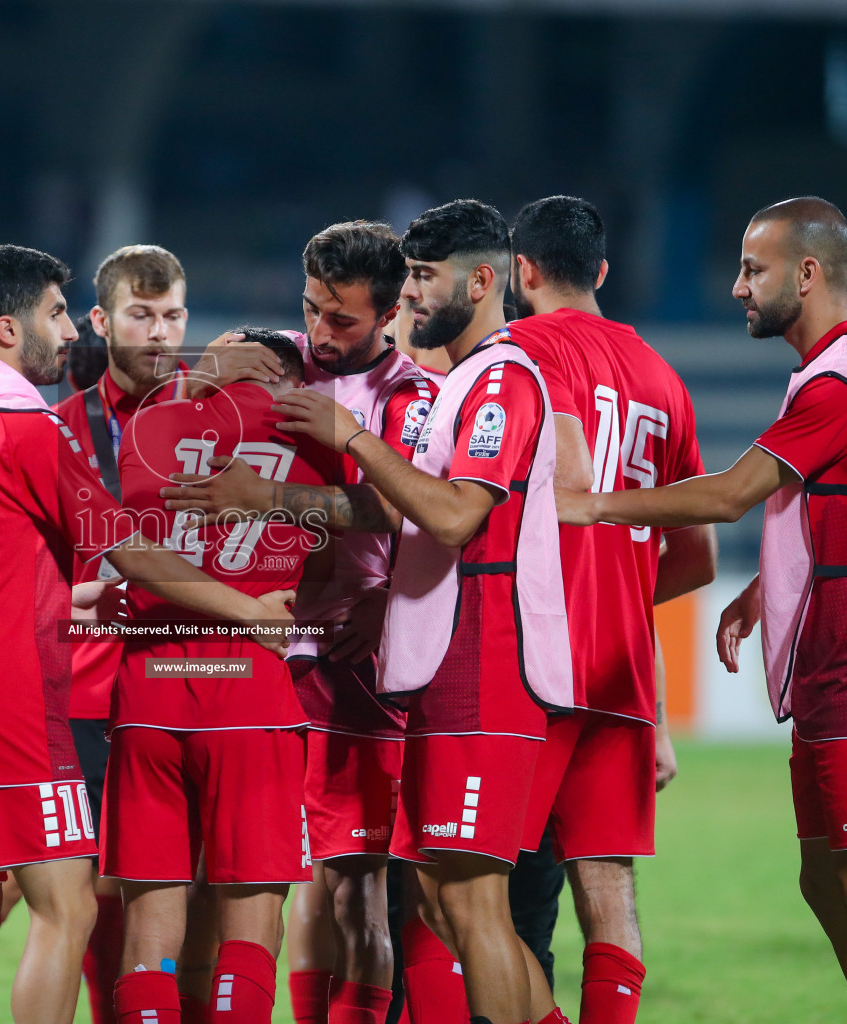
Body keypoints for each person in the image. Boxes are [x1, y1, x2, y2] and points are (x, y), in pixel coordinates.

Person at [557, 196, 847, 1024]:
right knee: (824, 879)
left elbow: (737, 493)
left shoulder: (844, 382)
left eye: (754, 269)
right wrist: (762, 589)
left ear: (807, 275)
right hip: (837, 667)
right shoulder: (831, 374)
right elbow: (843, 509)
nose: (739, 287)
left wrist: (592, 506)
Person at [0, 244, 295, 1024]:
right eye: (54, 312)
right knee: (69, 910)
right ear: (9, 329)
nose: (68, 329)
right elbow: (130, 549)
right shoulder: (25, 426)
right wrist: (251, 611)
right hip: (6, 714)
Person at [275, 198, 575, 1024]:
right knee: (445, 905)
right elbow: (406, 508)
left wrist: (349, 437)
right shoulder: (464, 382)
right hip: (444, 671)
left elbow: (450, 516)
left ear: (482, 281)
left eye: (423, 278)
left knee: (472, 909)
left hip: (482, 668)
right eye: (407, 277)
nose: (409, 297)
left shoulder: (502, 380)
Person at [159, 219, 436, 1024]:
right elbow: (180, 419)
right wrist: (202, 373)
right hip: (251, 650)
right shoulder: (272, 354)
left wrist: (274, 503)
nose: (321, 332)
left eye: (342, 319)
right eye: (312, 308)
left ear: (389, 313)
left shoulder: (407, 397)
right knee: (235, 876)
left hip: (349, 660)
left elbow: (398, 507)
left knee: (356, 886)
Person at [49, 244, 288, 1024]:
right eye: (141, 316)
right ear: (102, 320)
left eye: (173, 316)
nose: (158, 334)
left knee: (206, 902)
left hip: (177, 681)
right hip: (89, 693)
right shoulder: (61, 428)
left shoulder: (210, 417)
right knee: (101, 902)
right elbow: (47, 589)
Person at [504, 195, 716, 1024]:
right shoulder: (665, 379)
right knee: (608, 880)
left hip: (527, 659)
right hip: (621, 667)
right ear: (600, 270)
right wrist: (619, 590)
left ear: (521, 272)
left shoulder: (509, 357)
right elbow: (693, 556)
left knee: (474, 886)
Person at [103, 327, 344, 1024]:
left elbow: (126, 540)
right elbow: (324, 572)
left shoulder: (150, 420)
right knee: (249, 929)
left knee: (151, 934)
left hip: (149, 689)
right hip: (251, 694)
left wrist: (194, 377)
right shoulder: (315, 438)